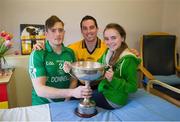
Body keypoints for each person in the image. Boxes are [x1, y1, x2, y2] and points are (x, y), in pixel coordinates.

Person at [29, 15, 92, 105]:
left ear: (64, 32)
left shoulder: (71, 52)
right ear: (46, 34)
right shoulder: (38, 53)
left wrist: (66, 100)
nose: (58, 34)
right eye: (53, 30)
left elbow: (73, 80)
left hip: (66, 102)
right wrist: (72, 92)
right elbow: (40, 90)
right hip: (43, 104)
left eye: (60, 30)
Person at [91, 23, 141, 110]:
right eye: (106, 39)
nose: (109, 42)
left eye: (113, 38)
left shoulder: (129, 59)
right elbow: (97, 65)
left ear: (122, 38)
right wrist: (73, 68)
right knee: (83, 91)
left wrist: (113, 80)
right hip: (105, 90)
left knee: (82, 96)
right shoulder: (109, 52)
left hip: (114, 100)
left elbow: (133, 87)